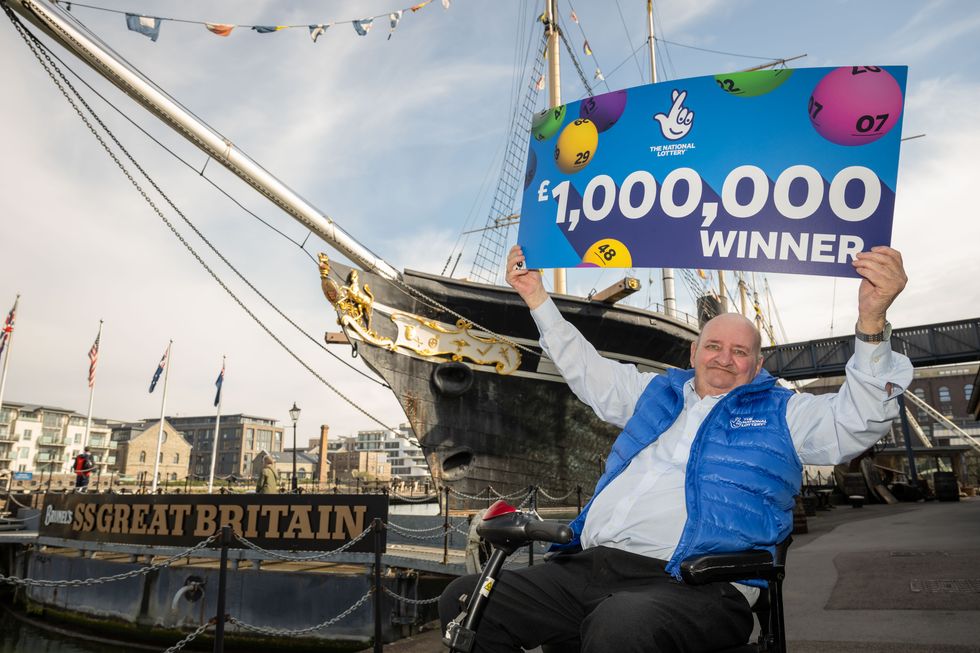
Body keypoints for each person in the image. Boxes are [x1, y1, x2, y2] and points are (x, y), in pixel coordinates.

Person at [439, 245, 913, 653]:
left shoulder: (783, 413)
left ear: (758, 363)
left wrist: (872, 322)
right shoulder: (655, 394)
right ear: (693, 353)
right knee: (468, 600)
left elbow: (857, 421)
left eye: (740, 351)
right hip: (591, 564)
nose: (724, 358)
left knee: (621, 624)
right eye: (713, 346)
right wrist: (535, 297)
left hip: (699, 581)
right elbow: (586, 370)